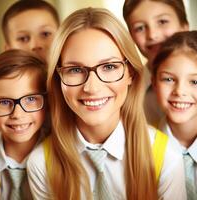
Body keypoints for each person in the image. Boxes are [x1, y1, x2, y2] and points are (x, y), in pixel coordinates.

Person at [27, 7, 186, 200]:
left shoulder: (167, 158)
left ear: (131, 74)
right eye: (75, 69)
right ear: (58, 80)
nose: (92, 87)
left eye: (109, 67)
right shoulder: (41, 163)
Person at [123, 0, 189, 126]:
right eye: (140, 28)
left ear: (184, 26)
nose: (152, 35)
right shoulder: (127, 92)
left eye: (162, 22)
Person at [152, 31, 197, 200]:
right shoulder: (142, 145)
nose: (180, 91)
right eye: (168, 79)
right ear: (154, 83)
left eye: (195, 81)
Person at [0, 49, 47, 199]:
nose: (17, 115)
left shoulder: (62, 157)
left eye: (30, 99)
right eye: (4, 102)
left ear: (48, 101)